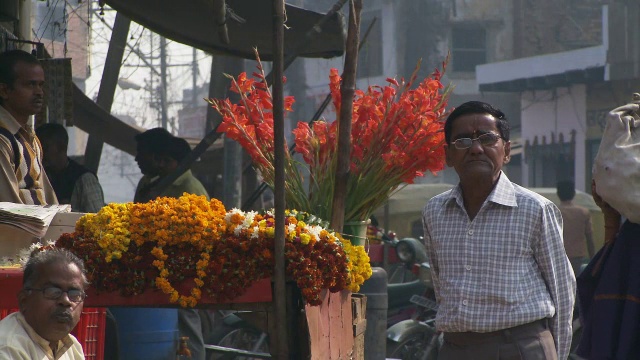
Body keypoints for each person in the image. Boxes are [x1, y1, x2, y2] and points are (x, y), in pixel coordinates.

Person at [422, 101, 575, 359]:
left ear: (506, 150)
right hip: (455, 349)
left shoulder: (535, 209)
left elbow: (563, 293)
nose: (476, 149)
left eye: (487, 138)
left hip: (519, 347)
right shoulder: (434, 212)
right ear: (447, 155)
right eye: (463, 141)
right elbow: (440, 285)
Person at [133, 127, 209, 360]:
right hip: (153, 269)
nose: (136, 159)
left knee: (186, 323)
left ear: (161, 160)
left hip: (184, 272)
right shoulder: (148, 184)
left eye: (141, 154)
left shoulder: (191, 191)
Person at [0, 248, 88, 359]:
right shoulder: (8, 349)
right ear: (24, 300)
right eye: (53, 291)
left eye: (74, 294)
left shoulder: (71, 346)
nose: (66, 301)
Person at [0, 49, 57, 205]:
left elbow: (47, 195)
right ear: (4, 90)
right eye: (30, 84)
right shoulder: (3, 141)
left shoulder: (30, 137)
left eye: (40, 85)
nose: (39, 92)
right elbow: (10, 211)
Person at [35, 123, 105, 213]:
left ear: (62, 148)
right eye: (37, 149)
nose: (40, 154)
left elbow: (97, 219)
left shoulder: (85, 180)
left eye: (44, 148)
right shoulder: (40, 176)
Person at [556, 180, 595, 275]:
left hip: (558, 256)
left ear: (558, 194)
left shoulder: (554, 212)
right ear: (573, 194)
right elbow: (590, 238)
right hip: (578, 257)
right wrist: (593, 260)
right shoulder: (583, 212)